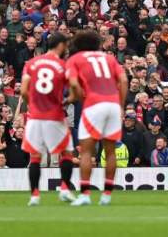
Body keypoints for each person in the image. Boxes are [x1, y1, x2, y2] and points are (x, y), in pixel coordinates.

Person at [66, 30, 128, 206]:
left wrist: (80, 98)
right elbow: (123, 81)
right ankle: (107, 194)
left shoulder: (75, 59)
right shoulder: (109, 58)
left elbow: (73, 83)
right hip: (113, 105)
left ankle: (85, 194)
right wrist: (121, 105)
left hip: (93, 105)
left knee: (86, 151)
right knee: (110, 151)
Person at [20, 33, 75, 206]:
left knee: (35, 156)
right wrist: (67, 101)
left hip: (35, 116)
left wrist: (32, 105)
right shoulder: (62, 66)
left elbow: (23, 91)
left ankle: (35, 195)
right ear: (59, 45)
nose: (66, 48)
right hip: (55, 115)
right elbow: (75, 89)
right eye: (65, 45)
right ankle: (65, 189)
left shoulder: (31, 64)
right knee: (66, 152)